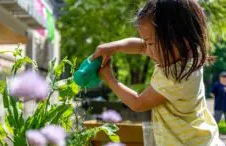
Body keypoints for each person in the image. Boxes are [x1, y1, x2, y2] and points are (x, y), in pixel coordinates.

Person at [91, 0, 224, 145]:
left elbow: (138, 103)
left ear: (178, 37)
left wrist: (109, 78)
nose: (146, 48)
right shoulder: (187, 54)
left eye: (150, 43)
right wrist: (113, 47)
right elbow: (141, 47)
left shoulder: (174, 76)